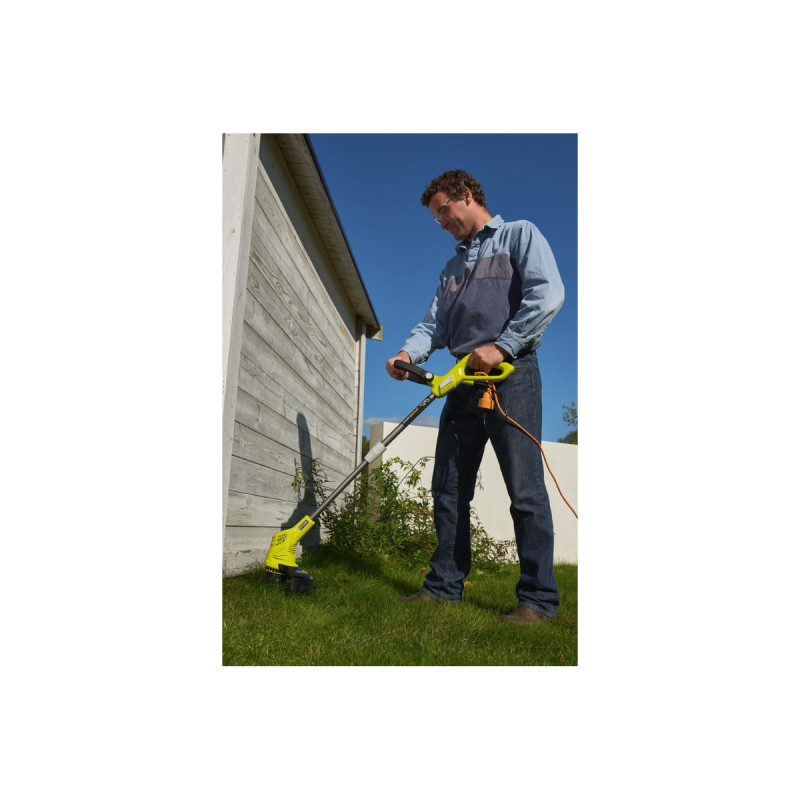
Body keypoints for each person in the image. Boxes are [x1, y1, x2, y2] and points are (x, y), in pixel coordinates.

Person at [386, 169, 565, 625]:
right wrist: (407, 353)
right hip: (463, 382)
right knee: (448, 488)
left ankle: (537, 600)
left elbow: (547, 294)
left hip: (511, 375)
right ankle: (443, 587)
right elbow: (434, 326)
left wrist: (502, 346)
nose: (441, 223)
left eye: (442, 212)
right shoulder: (451, 269)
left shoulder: (519, 235)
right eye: (436, 218)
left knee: (525, 491)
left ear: (466, 195)